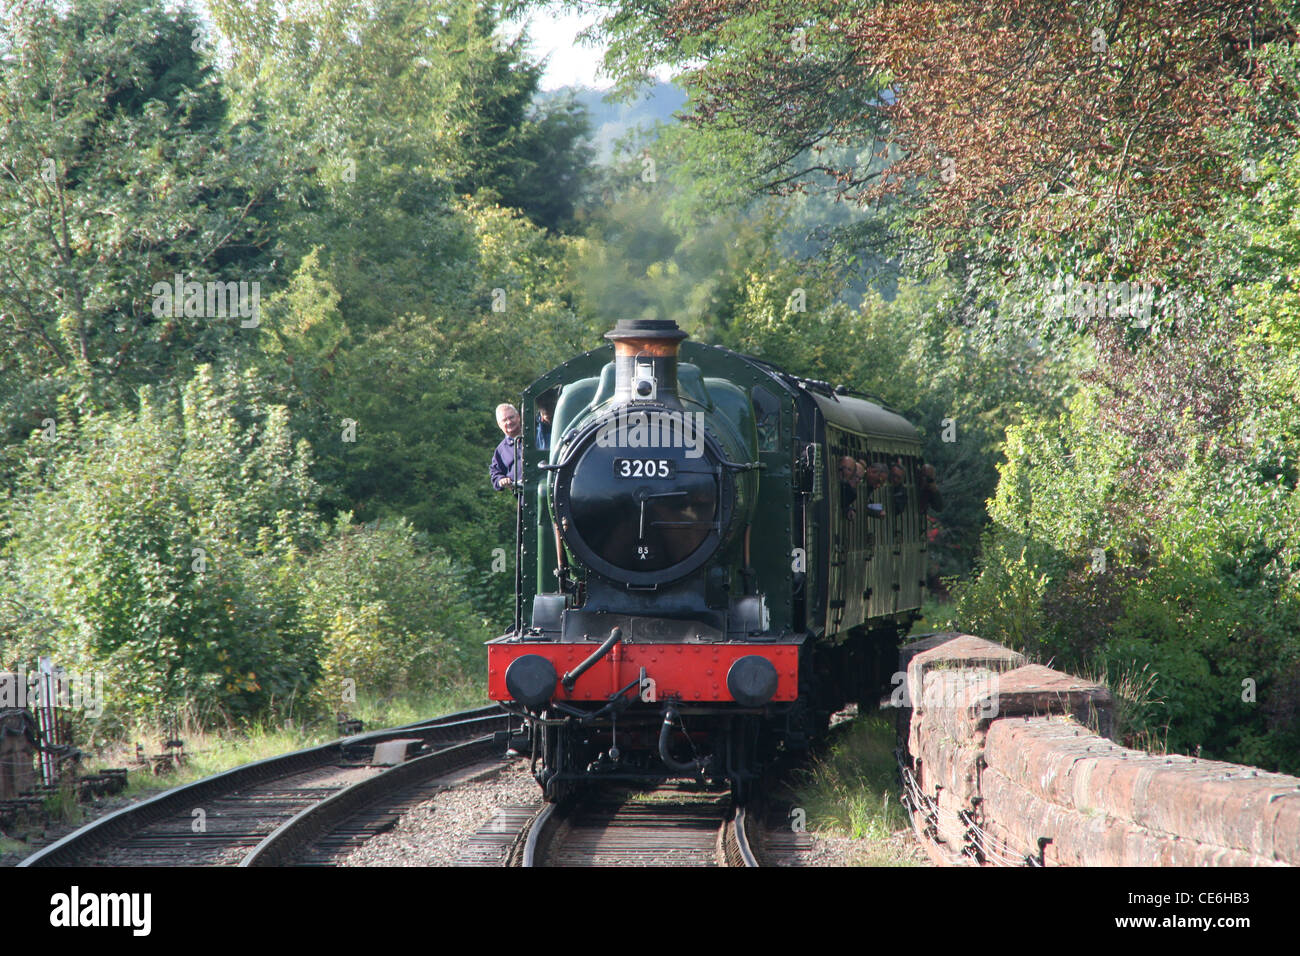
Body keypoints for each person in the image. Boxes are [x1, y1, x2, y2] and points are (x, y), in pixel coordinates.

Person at [490, 403, 523, 491]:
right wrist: (501, 480)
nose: (509, 422)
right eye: (504, 420)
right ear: (499, 424)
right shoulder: (501, 450)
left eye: (511, 417)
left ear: (518, 417)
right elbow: (495, 473)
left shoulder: (537, 435)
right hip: (522, 498)